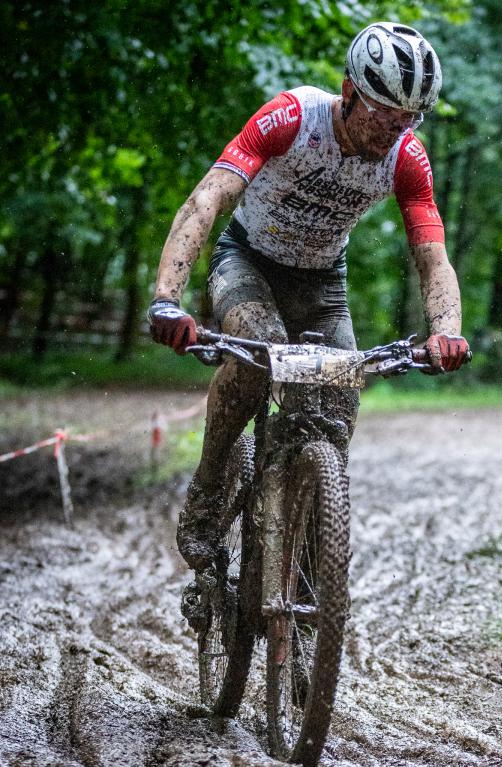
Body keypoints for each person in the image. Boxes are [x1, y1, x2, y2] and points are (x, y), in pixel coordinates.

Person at [148, 21, 470, 570]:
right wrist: (166, 300)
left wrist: (446, 331)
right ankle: (207, 488)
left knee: (339, 400)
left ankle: (310, 535)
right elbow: (206, 201)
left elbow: (431, 254)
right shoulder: (293, 118)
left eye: (408, 118)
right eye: (384, 113)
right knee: (258, 353)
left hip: (323, 282)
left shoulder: (407, 159)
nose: (394, 129)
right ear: (349, 92)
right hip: (248, 261)